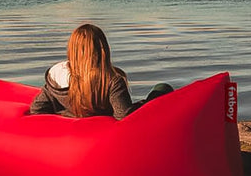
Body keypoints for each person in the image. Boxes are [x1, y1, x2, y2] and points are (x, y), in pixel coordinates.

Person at [29, 23, 172, 119]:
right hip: (103, 137)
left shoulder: (57, 80)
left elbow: (37, 108)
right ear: (103, 49)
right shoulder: (112, 80)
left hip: (73, 129)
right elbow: (123, 117)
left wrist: (65, 118)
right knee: (163, 89)